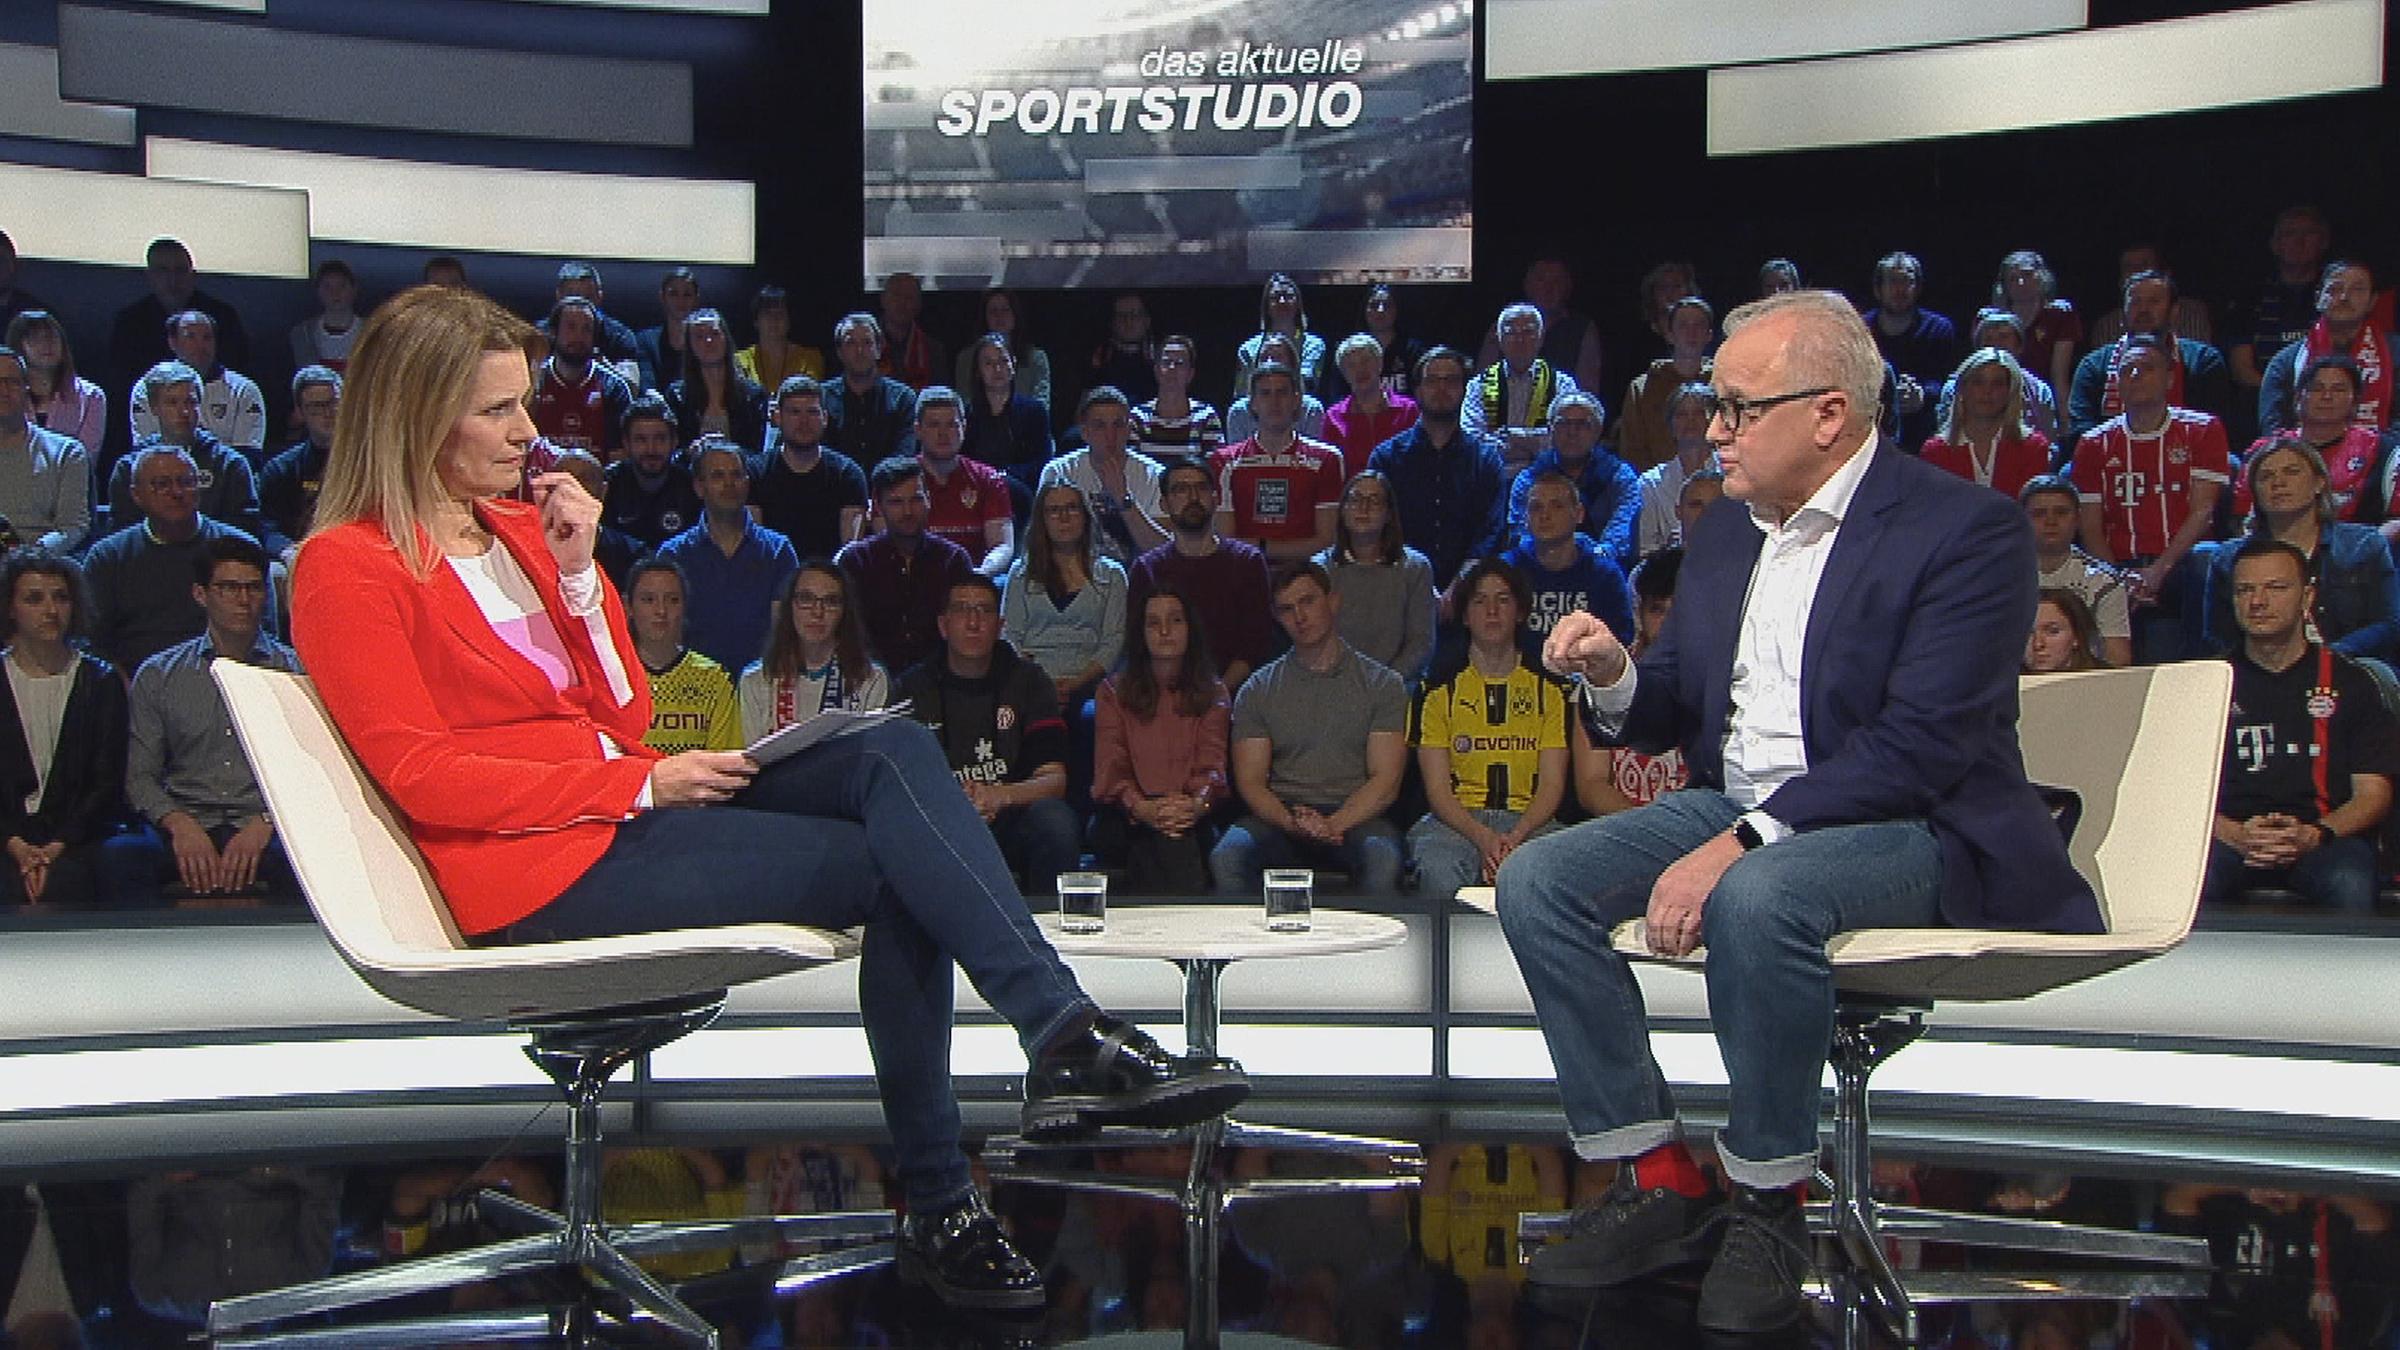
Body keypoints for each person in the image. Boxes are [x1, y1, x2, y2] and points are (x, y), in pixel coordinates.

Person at [290, 283, 1247, 1312]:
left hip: (623, 806)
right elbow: (424, 776)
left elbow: (623, 709)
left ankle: (1058, 1040)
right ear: (416, 414)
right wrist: (637, 783)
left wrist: (576, 580)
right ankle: (957, 1184)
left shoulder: (528, 532)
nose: (530, 432)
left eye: (525, 403)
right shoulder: (347, 565)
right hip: (538, 867)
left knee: (889, 748)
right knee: (899, 872)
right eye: (498, 410)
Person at [1498, 290, 2098, 1333]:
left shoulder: (1967, 529)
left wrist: (1739, 844)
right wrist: (1613, 674)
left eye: (1738, 408)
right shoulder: (1727, 533)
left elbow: (1923, 747)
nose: (1712, 431)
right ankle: (1658, 1177)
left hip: (1916, 824)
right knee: (1537, 880)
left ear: (1828, 414)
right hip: (1738, 805)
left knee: (1758, 896)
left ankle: (1769, 1197)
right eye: (1712, 406)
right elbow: (1672, 705)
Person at [2206, 538, 2395, 914]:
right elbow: (2174, 792)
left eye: (2275, 588)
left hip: (2325, 836)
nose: (2258, 602)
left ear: (2307, 597)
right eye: (2245, 590)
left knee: (2349, 881)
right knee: (2187, 880)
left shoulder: (2355, 683)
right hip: (2226, 836)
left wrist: (2313, 834)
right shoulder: (2206, 683)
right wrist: (2234, 834)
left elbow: (2372, 794)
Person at [110, 535, 298, 905]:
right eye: (228, 588)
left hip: (268, 822)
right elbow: (140, 777)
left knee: (302, 863)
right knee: (121, 857)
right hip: (187, 817)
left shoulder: (296, 673)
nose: (243, 600)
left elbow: (309, 773)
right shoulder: (160, 674)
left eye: (253, 588)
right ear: (201, 594)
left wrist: (267, 823)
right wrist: (178, 823)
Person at [1210, 561, 1408, 897]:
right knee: (1227, 856)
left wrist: (1332, 825)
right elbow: (1251, 782)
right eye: (1287, 609)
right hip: (1282, 815)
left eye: (1308, 601)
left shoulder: (1382, 685)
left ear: (1333, 602)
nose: (1299, 617)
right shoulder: (1257, 690)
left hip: (1356, 815)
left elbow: (1386, 782)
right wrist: (1294, 823)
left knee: (1383, 858)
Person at [897, 575, 1083, 892]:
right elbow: (900, 783)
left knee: (1056, 821)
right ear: (943, 625)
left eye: (984, 611)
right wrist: (955, 801)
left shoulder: (1029, 681)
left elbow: (1054, 779)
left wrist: (999, 796)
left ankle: (1047, 921)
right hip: (939, 818)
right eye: (962, 610)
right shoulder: (912, 688)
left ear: (1000, 626)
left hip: (1010, 815)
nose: (973, 622)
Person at [1409, 559, 1570, 895]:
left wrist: (1516, 835)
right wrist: (1484, 838)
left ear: (1520, 611)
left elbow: (1552, 784)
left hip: (1531, 821)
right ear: (1465, 616)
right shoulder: (1436, 692)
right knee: (1439, 868)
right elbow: (1438, 791)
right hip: (1456, 823)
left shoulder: (1551, 691)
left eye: (1503, 600)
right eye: (1480, 601)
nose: (1492, 611)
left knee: (1555, 869)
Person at [2069, 335, 2230, 663]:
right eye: (2127, 370)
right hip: (2117, 566)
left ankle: (2203, 668)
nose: (2136, 375)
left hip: (2179, 564)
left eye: (2147, 368)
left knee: (2206, 558)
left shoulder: (2203, 430)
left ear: (2170, 379)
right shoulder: (2093, 444)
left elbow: (2202, 513)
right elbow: (2091, 528)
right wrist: (2116, 579)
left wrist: (2157, 572)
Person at [2203, 437, 2400, 668]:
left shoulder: (2365, 546)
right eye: (2266, 476)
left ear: (2319, 483)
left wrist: (2327, 656)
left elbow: (2389, 623)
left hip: (2349, 665)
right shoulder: (2228, 559)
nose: (2278, 483)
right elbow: (2217, 637)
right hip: (2259, 669)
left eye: (2292, 472)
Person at [0, 552, 125, 906]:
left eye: (61, 598)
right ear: (10, 609)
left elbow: (105, 783)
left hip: (76, 836)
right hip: (7, 835)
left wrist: (54, 848)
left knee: (87, 873)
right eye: (34, 599)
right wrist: (17, 847)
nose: (51, 610)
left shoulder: (101, 681)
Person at [1091, 587, 1230, 893]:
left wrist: (1193, 806)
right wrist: (1143, 809)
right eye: (1153, 623)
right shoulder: (1112, 692)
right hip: (1122, 813)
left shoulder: (1213, 692)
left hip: (1192, 812)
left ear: (1190, 629)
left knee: (1177, 838)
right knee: (1168, 843)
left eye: (1175, 620)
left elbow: (1212, 767)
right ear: (1140, 634)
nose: (1165, 631)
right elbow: (1112, 769)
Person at [85, 446, 269, 673]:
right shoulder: (108, 557)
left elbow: (264, 633)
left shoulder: (240, 549)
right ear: (136, 495)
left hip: (226, 673)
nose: (176, 492)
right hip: (134, 680)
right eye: (161, 484)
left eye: (186, 482)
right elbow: (94, 643)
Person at [1125, 459, 1275, 695]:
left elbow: (1255, 645)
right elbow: (1138, 646)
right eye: (1181, 490)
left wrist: (1218, 694)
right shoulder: (1147, 569)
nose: (1193, 497)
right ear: (1164, 503)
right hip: (1163, 696)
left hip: (1236, 695)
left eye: (1201, 488)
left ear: (1216, 499)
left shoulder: (1248, 562)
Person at [655, 439, 801, 675]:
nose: (729, 484)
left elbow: (784, 632)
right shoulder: (674, 554)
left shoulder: (778, 551)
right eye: (718, 476)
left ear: (747, 483)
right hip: (694, 685)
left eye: (736, 475)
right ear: (699, 487)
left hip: (762, 683)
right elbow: (666, 631)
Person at [1367, 347, 1506, 589]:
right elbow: (1378, 529)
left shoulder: (1486, 460)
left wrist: (1460, 585)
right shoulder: (1386, 458)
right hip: (1399, 585)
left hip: (1471, 590)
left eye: (1450, 380)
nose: (1441, 388)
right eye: (1432, 380)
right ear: (1418, 390)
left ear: (1464, 389)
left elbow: (1491, 531)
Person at [1571, 549, 1688, 817]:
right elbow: (1592, 785)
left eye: (1677, 611)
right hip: (1623, 826)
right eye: (1657, 610)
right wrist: (1648, 829)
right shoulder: (1602, 680)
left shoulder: (1720, 683)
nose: (1667, 623)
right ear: (1639, 612)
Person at [837, 456, 976, 675]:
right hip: (869, 679)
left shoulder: (953, 560)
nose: (908, 511)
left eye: (916, 500)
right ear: (879, 506)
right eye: (896, 502)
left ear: (929, 499)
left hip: (941, 681)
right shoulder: (856, 562)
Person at [1002, 483, 1127, 723]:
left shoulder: (1112, 575)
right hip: (1032, 683)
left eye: (1072, 508)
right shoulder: (1020, 574)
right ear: (1042, 521)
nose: (1064, 517)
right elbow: (1010, 635)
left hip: (1090, 686)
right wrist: (1042, 684)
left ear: (1085, 516)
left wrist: (1074, 684)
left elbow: (1114, 641)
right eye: (1054, 510)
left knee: (1091, 717)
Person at [106, 361, 265, 543]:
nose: (184, 411)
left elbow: (246, 533)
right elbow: (120, 537)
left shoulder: (229, 465)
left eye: (191, 402)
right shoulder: (129, 469)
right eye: (172, 403)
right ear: (154, 407)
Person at [2068, 270, 2232, 443]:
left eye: (2154, 301)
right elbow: (2081, 433)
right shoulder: (2093, 366)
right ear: (2122, 313)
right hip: (2111, 454)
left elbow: (2215, 431)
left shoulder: (2204, 361)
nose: (2143, 310)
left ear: (2173, 311)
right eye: (2135, 302)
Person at [739, 562, 890, 743]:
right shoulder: (756, 680)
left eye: (830, 601)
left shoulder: (870, 679)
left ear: (844, 612)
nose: (817, 612)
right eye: (806, 599)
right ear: (790, 607)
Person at [1208, 361, 1343, 562]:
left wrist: (1261, 547)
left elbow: (1327, 541)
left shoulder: (1326, 459)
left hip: (1306, 571)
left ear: (1296, 400)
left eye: (1282, 393)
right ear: (1253, 402)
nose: (1274, 401)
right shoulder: (1224, 461)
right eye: (1265, 393)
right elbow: (1226, 542)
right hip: (1244, 570)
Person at [1312, 471, 1435, 689]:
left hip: (1396, 687)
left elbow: (1421, 643)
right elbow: (1313, 641)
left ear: (1388, 514)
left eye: (1374, 501)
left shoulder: (1415, 568)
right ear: (1343, 509)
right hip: (1333, 687)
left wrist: (1382, 684)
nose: (1364, 508)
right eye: (1356, 499)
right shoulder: (1320, 569)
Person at [1503, 470, 1636, 662]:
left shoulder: (1605, 575)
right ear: (1525, 517)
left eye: (1557, 506)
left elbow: (1619, 644)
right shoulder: (1505, 572)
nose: (1545, 515)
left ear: (1578, 513)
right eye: (1536, 507)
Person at [1503, 391, 1640, 568]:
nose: (1572, 432)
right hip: (1540, 569)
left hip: (1601, 570)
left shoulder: (1620, 477)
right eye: (1563, 423)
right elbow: (1521, 536)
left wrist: (1586, 559)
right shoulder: (1529, 480)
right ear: (1550, 430)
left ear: (1598, 431)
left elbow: (1620, 534)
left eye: (1582, 424)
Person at [1039, 386, 1170, 569]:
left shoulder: (1154, 475)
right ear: (1085, 433)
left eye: (1118, 425)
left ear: (1129, 429)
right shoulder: (1059, 472)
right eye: (1100, 426)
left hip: (1140, 575)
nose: (1111, 436)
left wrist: (1123, 498)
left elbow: (1163, 551)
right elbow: (1042, 539)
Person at [624, 557, 743, 755]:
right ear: (628, 607)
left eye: (672, 600)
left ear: (685, 606)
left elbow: (724, 760)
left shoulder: (713, 679)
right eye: (648, 600)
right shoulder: (611, 676)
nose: (661, 611)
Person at [2259, 260, 2390, 435]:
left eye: (2357, 289)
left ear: (2372, 301)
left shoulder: (2394, 354)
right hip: (2300, 450)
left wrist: (2374, 448)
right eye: (2335, 289)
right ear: (2318, 298)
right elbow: (2272, 428)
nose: (2344, 297)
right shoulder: (2286, 361)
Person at [748, 376, 869, 561]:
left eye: (812, 412)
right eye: (795, 412)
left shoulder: (848, 475)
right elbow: (756, 547)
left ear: (825, 418)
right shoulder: (755, 473)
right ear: (777, 417)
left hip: (830, 575)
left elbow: (849, 553)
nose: (804, 421)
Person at [107, 238, 250, 393]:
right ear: (149, 276)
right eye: (163, 270)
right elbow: (121, 381)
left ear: (193, 275)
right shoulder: (129, 322)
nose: (172, 279)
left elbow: (237, 373)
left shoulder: (222, 316)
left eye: (180, 270)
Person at [2228, 205, 2334, 412]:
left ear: (2324, 242)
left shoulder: (2336, 296)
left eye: (2309, 233)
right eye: (2289, 233)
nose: (2299, 241)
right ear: (2275, 244)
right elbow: (2242, 371)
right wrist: (2284, 396)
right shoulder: (2249, 299)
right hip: (2264, 403)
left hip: (2328, 401)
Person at [2020, 475, 2133, 668]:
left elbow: (2118, 659)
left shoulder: (2104, 582)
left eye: (2061, 512)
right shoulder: (1999, 579)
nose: (2050, 521)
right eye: (2039, 513)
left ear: (2078, 519)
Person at [129, 311, 266, 462]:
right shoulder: (147, 388)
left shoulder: (244, 390)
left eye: (207, 337)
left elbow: (248, 459)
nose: (200, 345)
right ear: (173, 342)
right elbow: (144, 456)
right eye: (190, 336)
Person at [1464, 303, 1584, 475]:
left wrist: (1516, 436)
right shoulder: (1478, 386)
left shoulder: (1562, 385)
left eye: (1528, 332)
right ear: (1499, 339)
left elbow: (1568, 436)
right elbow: (1471, 439)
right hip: (1492, 477)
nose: (1520, 340)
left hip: (1548, 479)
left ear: (1541, 338)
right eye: (1511, 332)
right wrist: (1533, 446)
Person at [1919, 347, 2052, 499]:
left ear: (2010, 392)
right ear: (1962, 390)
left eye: (1997, 383)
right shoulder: (1935, 452)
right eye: (1978, 382)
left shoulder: (2033, 448)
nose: (1987, 391)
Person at [912, 386, 1016, 576]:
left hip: (975, 579)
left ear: (964, 428)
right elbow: (890, 545)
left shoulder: (988, 479)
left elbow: (1002, 546)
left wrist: (981, 573)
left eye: (951, 425)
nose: (943, 433)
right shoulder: (898, 481)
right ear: (918, 430)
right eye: (934, 425)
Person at [0, 346, 89, 554]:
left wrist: (31, 556)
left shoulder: (67, 453)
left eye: (12, 382)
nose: (3, 391)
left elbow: (72, 527)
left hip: (40, 563)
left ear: (26, 389)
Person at [1931, 308, 2061, 443]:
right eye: (1988, 338)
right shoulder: (1955, 388)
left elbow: (2049, 444)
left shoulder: (2039, 390)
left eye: (2003, 337)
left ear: (2020, 346)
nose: (1996, 344)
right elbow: (1945, 437)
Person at [529, 297, 635, 459]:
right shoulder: (533, 382)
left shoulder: (614, 388)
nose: (578, 336)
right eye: (571, 327)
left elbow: (620, 456)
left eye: (586, 329)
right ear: (554, 332)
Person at [1616, 297, 1714, 473]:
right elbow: (1632, 448)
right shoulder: (1643, 388)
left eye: (1699, 325)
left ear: (1709, 335)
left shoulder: (1722, 384)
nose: (1691, 332)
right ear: (1670, 335)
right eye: (1683, 325)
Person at [257, 367, 340, 567]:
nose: (328, 413)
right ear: (300, 412)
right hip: (301, 554)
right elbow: (266, 526)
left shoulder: (370, 464)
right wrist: (288, 551)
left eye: (334, 403)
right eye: (317, 406)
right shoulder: (281, 469)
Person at [599, 396, 701, 550]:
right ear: (626, 443)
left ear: (674, 442)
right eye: (641, 440)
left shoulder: (692, 487)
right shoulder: (609, 485)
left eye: (660, 439)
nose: (651, 449)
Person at [820, 314, 918, 466]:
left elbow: (905, 454)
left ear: (879, 349)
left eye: (867, 342)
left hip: (890, 479)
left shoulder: (903, 399)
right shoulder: (821, 398)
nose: (859, 350)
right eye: (850, 343)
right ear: (839, 352)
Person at [6, 310, 106, 457]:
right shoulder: (6, 395)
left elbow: (86, 457)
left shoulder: (91, 396)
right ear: (19, 346)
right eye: (35, 338)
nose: (46, 344)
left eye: (52, 337)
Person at [665, 309, 767, 451]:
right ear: (690, 345)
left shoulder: (753, 395)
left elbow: (757, 452)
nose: (708, 341)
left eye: (715, 334)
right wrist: (689, 453)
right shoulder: (677, 396)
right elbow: (673, 451)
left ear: (726, 338)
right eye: (699, 336)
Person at [1633, 384, 1716, 558]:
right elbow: (1645, 548)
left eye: (1699, 413)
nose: (1690, 421)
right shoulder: (1650, 484)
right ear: (1670, 425)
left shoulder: (1734, 475)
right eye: (1681, 414)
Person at [961, 332, 1052, 488]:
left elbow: (1041, 461)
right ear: (978, 371)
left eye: (1003, 361)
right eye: (988, 363)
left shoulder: (1034, 412)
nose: (997, 369)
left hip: (1021, 489)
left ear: (1013, 365)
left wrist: (1005, 476)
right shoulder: (967, 414)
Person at [1992, 249, 2082, 403]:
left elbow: (2059, 378)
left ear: (2042, 278)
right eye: (2013, 278)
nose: (2021, 283)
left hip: (2043, 398)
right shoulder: (1990, 320)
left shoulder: (2059, 315)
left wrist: (2061, 416)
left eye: (2027, 275)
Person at [1321, 334, 1418, 473]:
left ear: (1380, 364)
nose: (1360, 369)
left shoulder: (1409, 410)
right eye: (1351, 365)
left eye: (1365, 361)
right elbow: (1331, 469)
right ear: (1344, 374)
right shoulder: (1333, 418)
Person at [951, 288, 1051, 412]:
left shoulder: (1036, 357)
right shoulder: (966, 358)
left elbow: (1041, 404)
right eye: (993, 311)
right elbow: (963, 403)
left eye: (1005, 310)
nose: (999, 316)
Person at [1232, 273, 1327, 403]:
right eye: (1275, 297)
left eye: (1288, 297)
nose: (1282, 301)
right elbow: (1241, 393)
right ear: (1267, 307)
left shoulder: (1314, 345)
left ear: (1298, 304)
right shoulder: (1247, 349)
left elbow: (1308, 384)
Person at [1128, 333, 1223, 459]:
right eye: (1166, 362)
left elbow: (1214, 464)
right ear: (1156, 370)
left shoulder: (1206, 416)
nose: (1172, 368)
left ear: (1190, 374)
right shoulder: (1138, 416)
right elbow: (1131, 464)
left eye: (1179, 363)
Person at [1222, 334, 1328, 446]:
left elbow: (1313, 452)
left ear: (1292, 364)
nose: (1270, 362)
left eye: (1277, 356)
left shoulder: (1311, 410)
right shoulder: (1239, 412)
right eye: (1264, 358)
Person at [542, 262, 643, 373]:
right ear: (559, 296)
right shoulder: (539, 335)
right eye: (571, 298)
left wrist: (604, 368)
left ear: (599, 297)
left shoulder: (620, 337)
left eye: (587, 298)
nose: (580, 305)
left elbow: (630, 382)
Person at [735, 285, 824, 393]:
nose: (774, 319)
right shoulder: (740, 361)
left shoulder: (809, 358)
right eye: (767, 313)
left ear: (789, 320)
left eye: (780, 313)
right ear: (756, 321)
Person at [634, 266, 703, 393]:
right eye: (673, 294)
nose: (680, 300)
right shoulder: (645, 341)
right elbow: (646, 387)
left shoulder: (706, 342)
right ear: (663, 297)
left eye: (687, 294)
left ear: (696, 299)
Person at [875, 271, 946, 391]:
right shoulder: (864, 344)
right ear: (883, 300)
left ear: (919, 304)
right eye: (896, 295)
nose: (902, 303)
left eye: (909, 297)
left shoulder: (933, 350)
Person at [289, 259, 362, 375]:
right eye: (327, 287)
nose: (335, 293)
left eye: (342, 286)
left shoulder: (371, 332)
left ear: (354, 289)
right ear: (318, 291)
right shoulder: (303, 334)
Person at [1087, 293, 1159, 406]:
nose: (1128, 321)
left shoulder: (1161, 361)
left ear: (1147, 320)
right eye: (1121, 315)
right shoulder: (1099, 360)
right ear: (1112, 322)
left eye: (1135, 314)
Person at [2024, 589, 2107, 673]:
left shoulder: (2108, 678)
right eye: (2027, 633)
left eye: (2053, 631)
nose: (2038, 644)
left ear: (2076, 636)